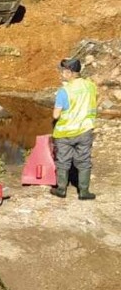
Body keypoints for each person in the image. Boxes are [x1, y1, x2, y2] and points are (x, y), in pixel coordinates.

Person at [51, 57, 97, 200]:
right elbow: (95, 101)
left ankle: (61, 189)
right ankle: (84, 192)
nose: (62, 73)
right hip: (85, 130)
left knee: (63, 161)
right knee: (84, 160)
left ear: (70, 72)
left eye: (64, 71)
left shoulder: (64, 91)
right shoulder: (90, 86)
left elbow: (56, 115)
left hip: (65, 133)